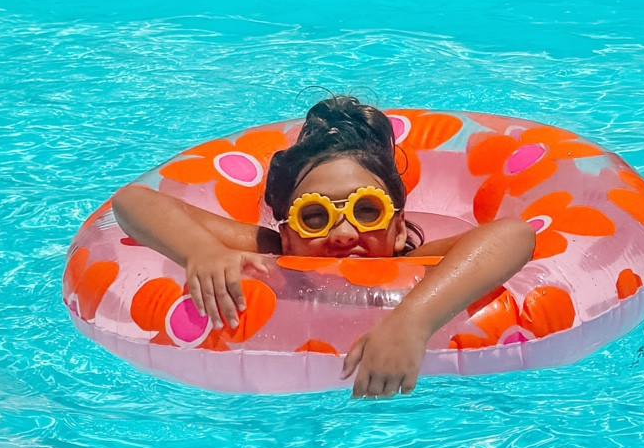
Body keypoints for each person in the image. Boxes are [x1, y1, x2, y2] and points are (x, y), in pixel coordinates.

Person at [112, 95, 534, 398]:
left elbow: (514, 234)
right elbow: (132, 201)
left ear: (399, 229)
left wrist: (412, 321)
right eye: (314, 216)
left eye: (367, 211)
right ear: (287, 231)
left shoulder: (416, 263)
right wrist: (202, 251)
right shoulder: (275, 251)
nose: (343, 233)